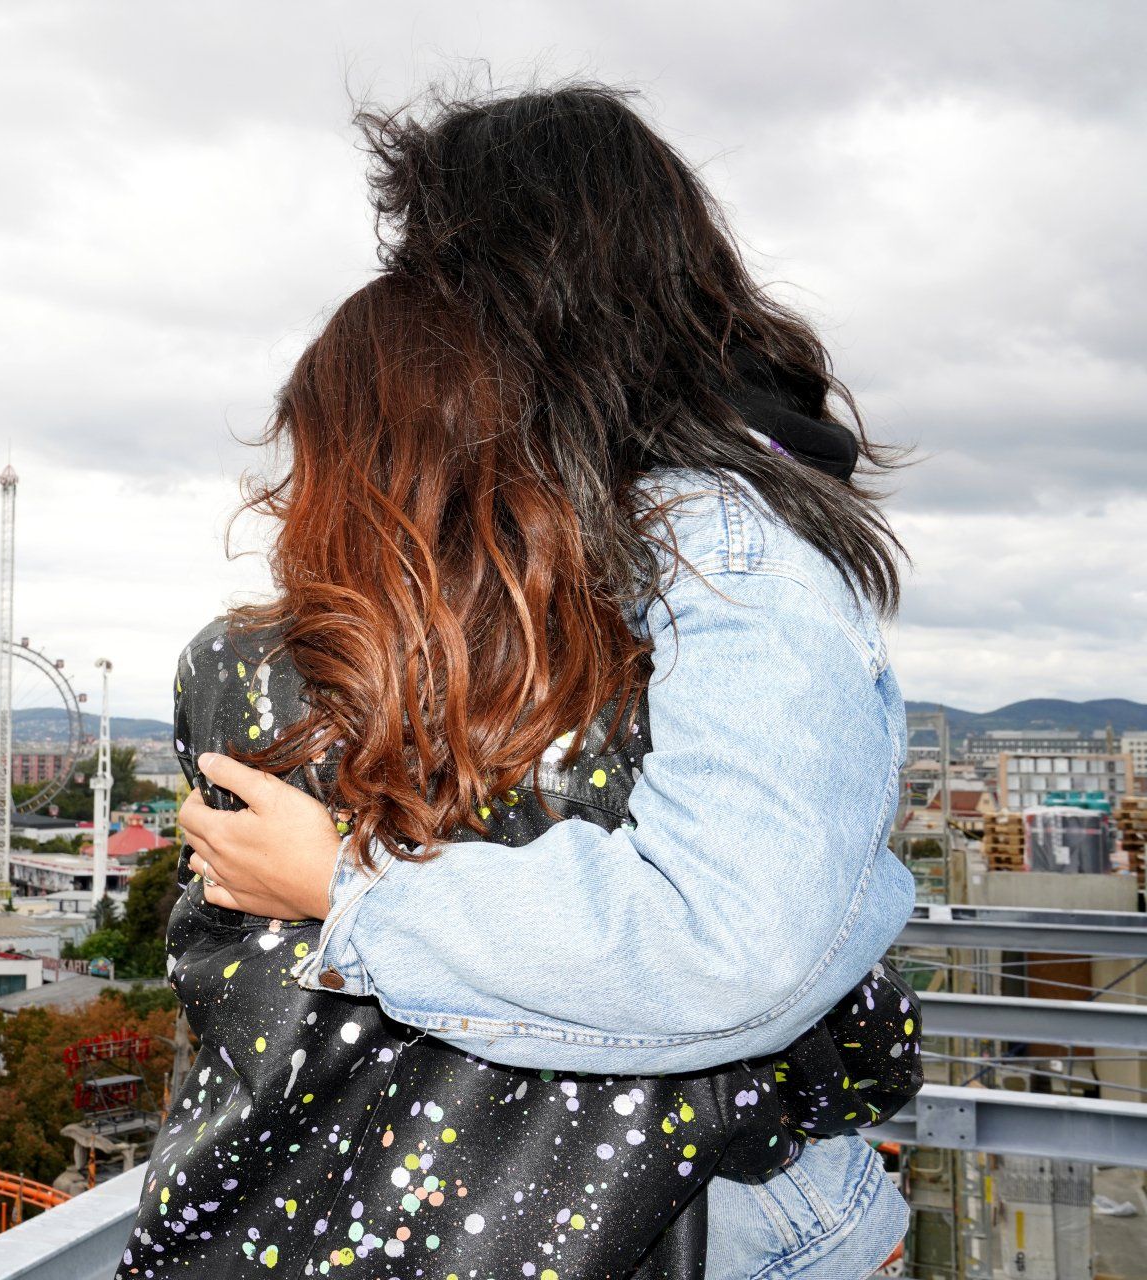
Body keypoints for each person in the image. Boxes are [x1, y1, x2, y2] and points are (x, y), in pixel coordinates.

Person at [166, 87, 917, 1278]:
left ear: (540, 293)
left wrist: (347, 891)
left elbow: (727, 938)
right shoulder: (605, 526)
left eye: (448, 274)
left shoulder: (718, 537)